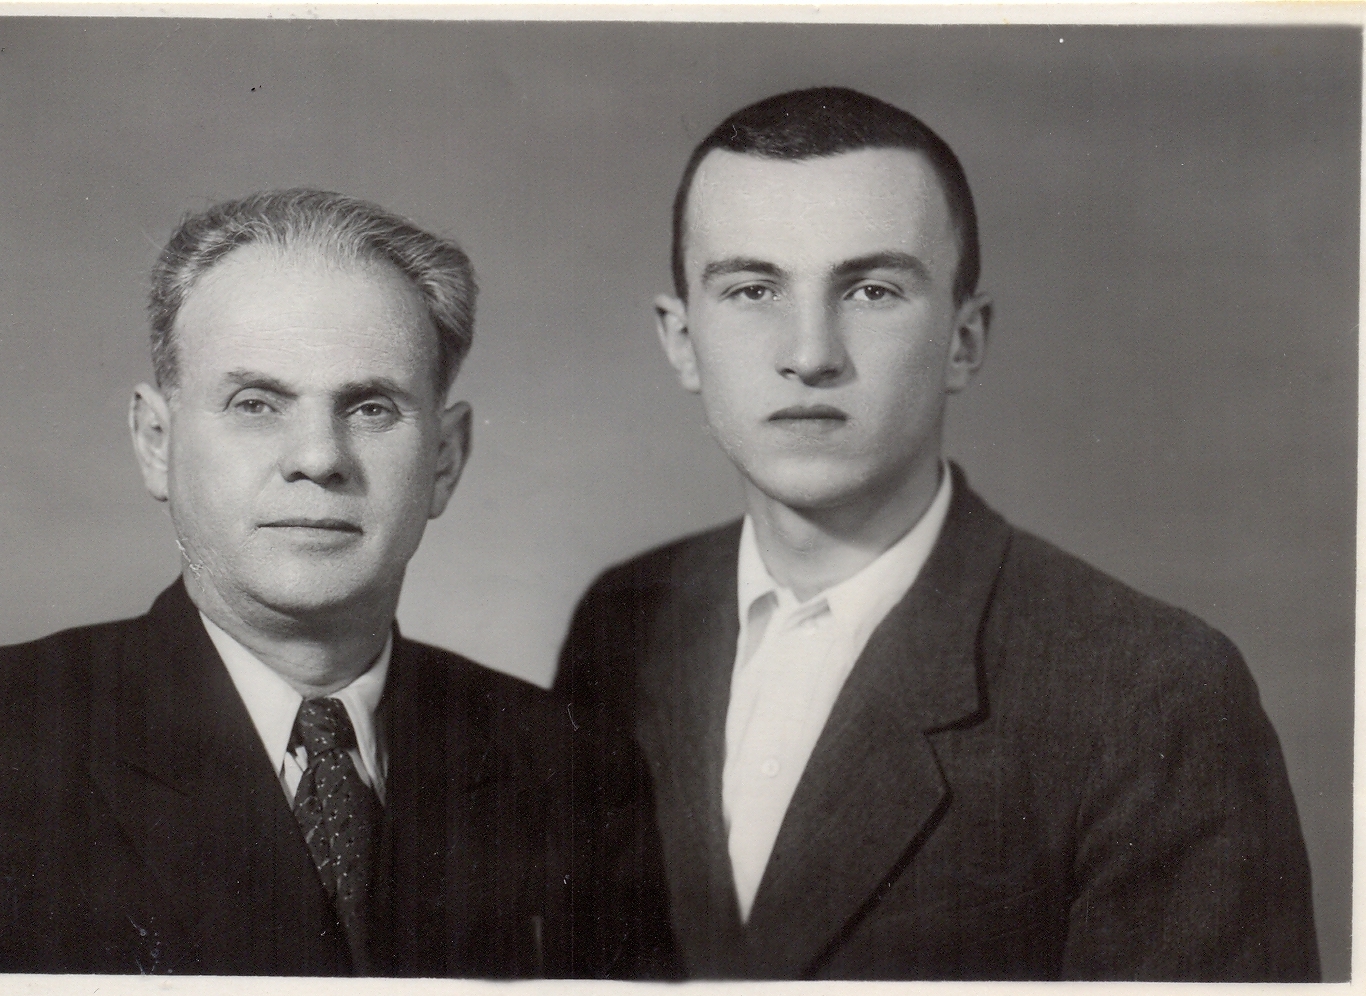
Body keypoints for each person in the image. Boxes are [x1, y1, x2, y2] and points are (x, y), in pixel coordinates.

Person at [559, 87, 1319, 981]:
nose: (810, 353)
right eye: (753, 289)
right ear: (683, 339)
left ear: (964, 340)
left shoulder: (1154, 691)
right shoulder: (624, 618)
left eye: (872, 290)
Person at [0, 188, 570, 977]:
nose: (318, 458)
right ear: (155, 442)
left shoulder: (570, 762)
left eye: (371, 408)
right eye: (256, 404)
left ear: (445, 459)